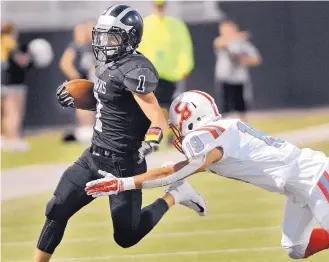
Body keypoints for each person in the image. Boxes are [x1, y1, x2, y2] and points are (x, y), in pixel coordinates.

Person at [33, 5, 206, 262]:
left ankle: (175, 194)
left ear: (130, 38)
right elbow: (108, 101)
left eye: (112, 36)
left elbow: (155, 113)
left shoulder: (135, 68)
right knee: (56, 209)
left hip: (123, 164)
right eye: (102, 36)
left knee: (126, 237)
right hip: (93, 156)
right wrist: (81, 97)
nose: (104, 43)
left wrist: (154, 135)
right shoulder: (105, 64)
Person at [86, 90, 329, 260]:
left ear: (191, 120)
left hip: (312, 175)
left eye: (178, 127)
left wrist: (123, 183)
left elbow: (171, 172)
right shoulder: (219, 133)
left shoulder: (204, 136)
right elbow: (177, 169)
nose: (178, 135)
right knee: (295, 248)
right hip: (295, 187)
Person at [138, 0, 194, 145]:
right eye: (157, 6)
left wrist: (185, 67)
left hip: (171, 73)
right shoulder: (145, 24)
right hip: (149, 73)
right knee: (149, 106)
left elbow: (185, 47)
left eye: (161, 6)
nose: (159, 9)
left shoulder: (176, 25)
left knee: (172, 106)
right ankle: (150, 134)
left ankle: (172, 135)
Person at [214, 20, 261, 122]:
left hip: (239, 79)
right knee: (224, 107)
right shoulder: (221, 41)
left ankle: (245, 129)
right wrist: (237, 36)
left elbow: (256, 59)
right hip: (225, 78)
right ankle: (222, 129)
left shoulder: (242, 43)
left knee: (241, 106)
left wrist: (246, 60)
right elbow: (219, 44)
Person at [59, 23, 95, 144]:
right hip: (83, 80)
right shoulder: (75, 46)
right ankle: (85, 130)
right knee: (83, 105)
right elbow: (65, 63)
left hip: (93, 80)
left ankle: (90, 129)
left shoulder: (92, 46)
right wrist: (76, 78)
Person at [1, 22, 32, 151]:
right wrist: (31, 58)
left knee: (5, 112)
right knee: (14, 112)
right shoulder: (9, 42)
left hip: (4, 81)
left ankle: (4, 138)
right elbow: (21, 60)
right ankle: (13, 139)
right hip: (12, 83)